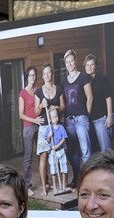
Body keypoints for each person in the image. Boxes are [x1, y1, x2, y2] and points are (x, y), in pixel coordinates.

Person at [61, 49, 93, 189]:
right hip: (68, 121)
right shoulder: (63, 81)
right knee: (72, 151)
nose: (69, 64)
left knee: (85, 151)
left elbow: (90, 97)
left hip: (81, 118)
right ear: (65, 64)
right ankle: (77, 177)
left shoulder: (83, 77)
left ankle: (88, 180)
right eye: (67, 62)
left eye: (71, 61)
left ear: (75, 61)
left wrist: (86, 115)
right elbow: (62, 102)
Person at [35, 62, 65, 196]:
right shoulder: (39, 91)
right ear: (42, 75)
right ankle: (43, 186)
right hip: (44, 127)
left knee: (57, 154)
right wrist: (41, 105)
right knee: (43, 156)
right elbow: (36, 112)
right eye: (45, 73)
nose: (47, 75)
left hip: (56, 126)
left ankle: (57, 184)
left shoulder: (58, 89)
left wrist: (56, 107)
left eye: (49, 72)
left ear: (52, 74)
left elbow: (63, 107)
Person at [19, 66, 44, 197]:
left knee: (42, 155)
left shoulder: (39, 90)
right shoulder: (23, 93)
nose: (32, 78)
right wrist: (34, 121)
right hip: (29, 127)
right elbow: (21, 115)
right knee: (28, 158)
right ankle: (27, 186)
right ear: (26, 76)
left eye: (34, 75)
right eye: (30, 75)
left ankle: (45, 182)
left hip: (40, 126)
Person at [84, 53, 114, 152]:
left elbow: (108, 98)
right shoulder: (83, 81)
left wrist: (109, 116)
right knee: (91, 149)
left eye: (92, 64)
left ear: (96, 66)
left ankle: (108, 166)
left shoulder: (103, 79)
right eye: (87, 65)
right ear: (84, 67)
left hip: (100, 118)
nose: (89, 67)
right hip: (87, 119)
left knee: (105, 148)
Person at [45, 106, 69, 194]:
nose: (56, 118)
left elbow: (64, 139)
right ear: (50, 119)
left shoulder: (61, 127)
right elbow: (47, 141)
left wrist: (57, 146)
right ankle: (55, 187)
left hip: (61, 150)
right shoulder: (49, 128)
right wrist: (49, 136)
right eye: (53, 117)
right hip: (53, 152)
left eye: (56, 116)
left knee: (64, 168)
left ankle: (64, 186)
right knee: (53, 169)